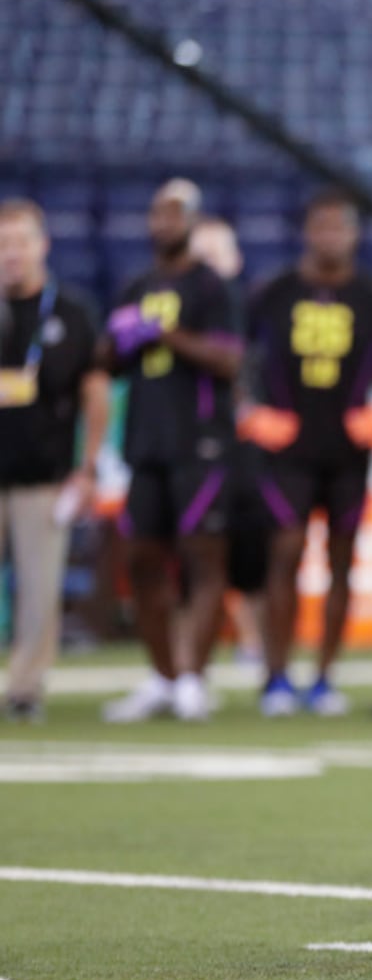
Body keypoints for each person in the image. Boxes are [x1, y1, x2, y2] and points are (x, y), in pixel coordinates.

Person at [243, 191, 372, 716]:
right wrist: (250, 410)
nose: (330, 237)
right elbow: (239, 357)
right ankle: (276, 678)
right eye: (322, 227)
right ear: (307, 232)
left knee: (341, 563)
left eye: (340, 228)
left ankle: (324, 679)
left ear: (354, 235)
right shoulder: (273, 294)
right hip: (288, 448)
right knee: (285, 555)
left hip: (348, 452)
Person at [99, 180, 241, 723]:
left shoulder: (211, 287)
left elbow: (228, 360)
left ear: (192, 223)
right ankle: (162, 675)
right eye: (156, 214)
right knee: (140, 558)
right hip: (145, 442)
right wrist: (118, 341)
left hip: (199, 440)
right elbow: (108, 364)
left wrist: (168, 334)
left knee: (202, 557)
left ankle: (192, 678)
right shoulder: (136, 284)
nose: (163, 223)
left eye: (173, 215)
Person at [0, 199, 108, 722]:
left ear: (41, 245)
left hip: (44, 473)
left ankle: (25, 689)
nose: (10, 254)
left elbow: (95, 392)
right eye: (2, 244)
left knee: (39, 590)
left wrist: (87, 467)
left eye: (19, 242)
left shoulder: (71, 311)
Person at [189, 216, 269, 672]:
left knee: (253, 549)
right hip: (197, 444)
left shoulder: (255, 312)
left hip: (249, 447)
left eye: (217, 254)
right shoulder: (184, 318)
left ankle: (255, 641)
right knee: (199, 547)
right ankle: (194, 655)